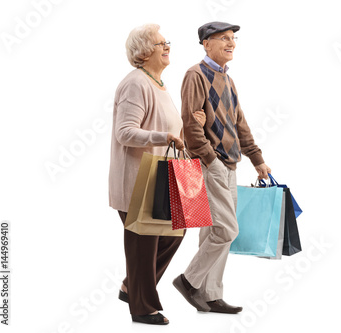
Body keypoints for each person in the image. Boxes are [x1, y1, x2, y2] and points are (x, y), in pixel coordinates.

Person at [109, 23, 205, 325]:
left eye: (167, 42)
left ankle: (132, 287)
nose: (167, 47)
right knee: (143, 246)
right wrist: (163, 137)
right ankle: (143, 307)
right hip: (136, 182)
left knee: (176, 232)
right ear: (143, 52)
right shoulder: (135, 84)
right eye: (160, 43)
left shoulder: (158, 84)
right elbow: (125, 133)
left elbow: (172, 132)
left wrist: (190, 125)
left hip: (161, 180)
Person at [173, 21, 272, 314]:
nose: (231, 43)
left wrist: (257, 159)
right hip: (209, 164)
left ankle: (211, 294)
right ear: (206, 43)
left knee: (213, 232)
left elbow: (240, 124)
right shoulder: (195, 75)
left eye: (233, 38)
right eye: (224, 38)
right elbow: (191, 125)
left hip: (230, 164)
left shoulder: (227, 79)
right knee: (227, 230)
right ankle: (188, 281)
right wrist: (211, 160)